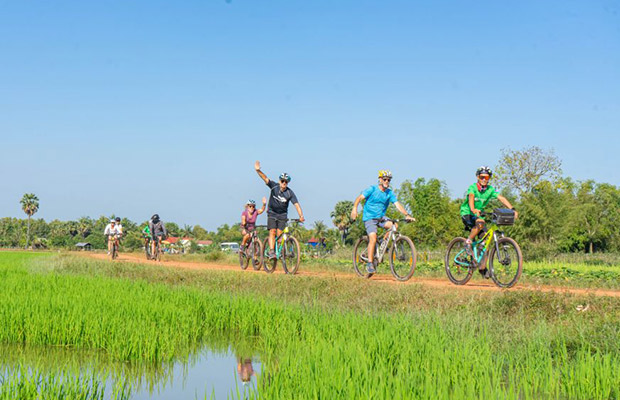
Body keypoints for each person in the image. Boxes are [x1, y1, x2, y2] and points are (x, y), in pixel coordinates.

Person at [350, 170, 415, 274]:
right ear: (380, 179)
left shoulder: (389, 193)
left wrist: (407, 215)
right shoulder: (372, 189)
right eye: (385, 179)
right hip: (370, 218)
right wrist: (354, 209)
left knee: (394, 226)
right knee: (373, 238)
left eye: (389, 180)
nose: (387, 181)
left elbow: (397, 204)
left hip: (381, 218)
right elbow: (359, 198)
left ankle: (382, 246)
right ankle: (370, 264)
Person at [459, 166, 518, 278]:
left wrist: (512, 209)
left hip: (478, 216)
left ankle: (482, 267)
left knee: (486, 241)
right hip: (467, 213)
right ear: (478, 177)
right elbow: (471, 197)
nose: (484, 179)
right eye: (482, 177)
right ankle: (468, 242)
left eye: (487, 177)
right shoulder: (473, 187)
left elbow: (501, 198)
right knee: (480, 223)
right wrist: (473, 210)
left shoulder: (490, 189)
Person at [254, 160, 305, 259]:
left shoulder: (290, 193)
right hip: (272, 213)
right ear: (279, 181)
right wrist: (258, 171)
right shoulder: (274, 187)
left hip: (282, 215)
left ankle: (280, 253)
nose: (284, 183)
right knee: (272, 231)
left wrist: (301, 216)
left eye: (286, 182)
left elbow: (297, 205)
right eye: (282, 181)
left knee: (280, 235)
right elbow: (265, 178)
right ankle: (272, 251)